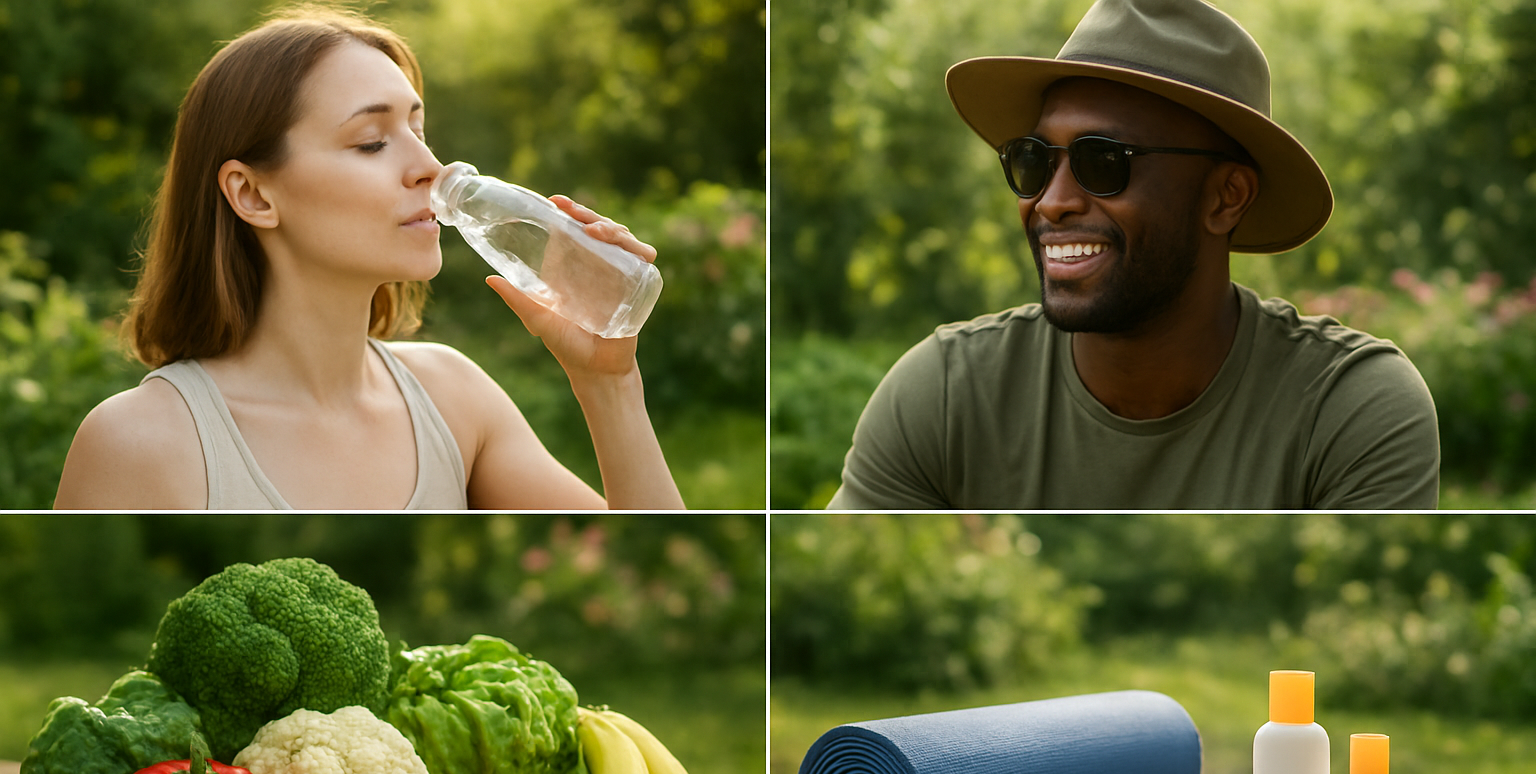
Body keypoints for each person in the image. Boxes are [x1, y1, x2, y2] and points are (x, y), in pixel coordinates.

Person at [54, 7, 684, 510]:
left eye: (419, 129)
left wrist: (610, 385)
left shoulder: (454, 397)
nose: (432, 169)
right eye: (372, 141)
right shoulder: (141, 444)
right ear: (252, 194)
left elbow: (659, 604)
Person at [827, 0, 1439, 510]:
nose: (1052, 202)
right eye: (1034, 161)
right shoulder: (944, 395)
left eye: (1103, 162)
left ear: (1227, 197)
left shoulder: (1347, 408)